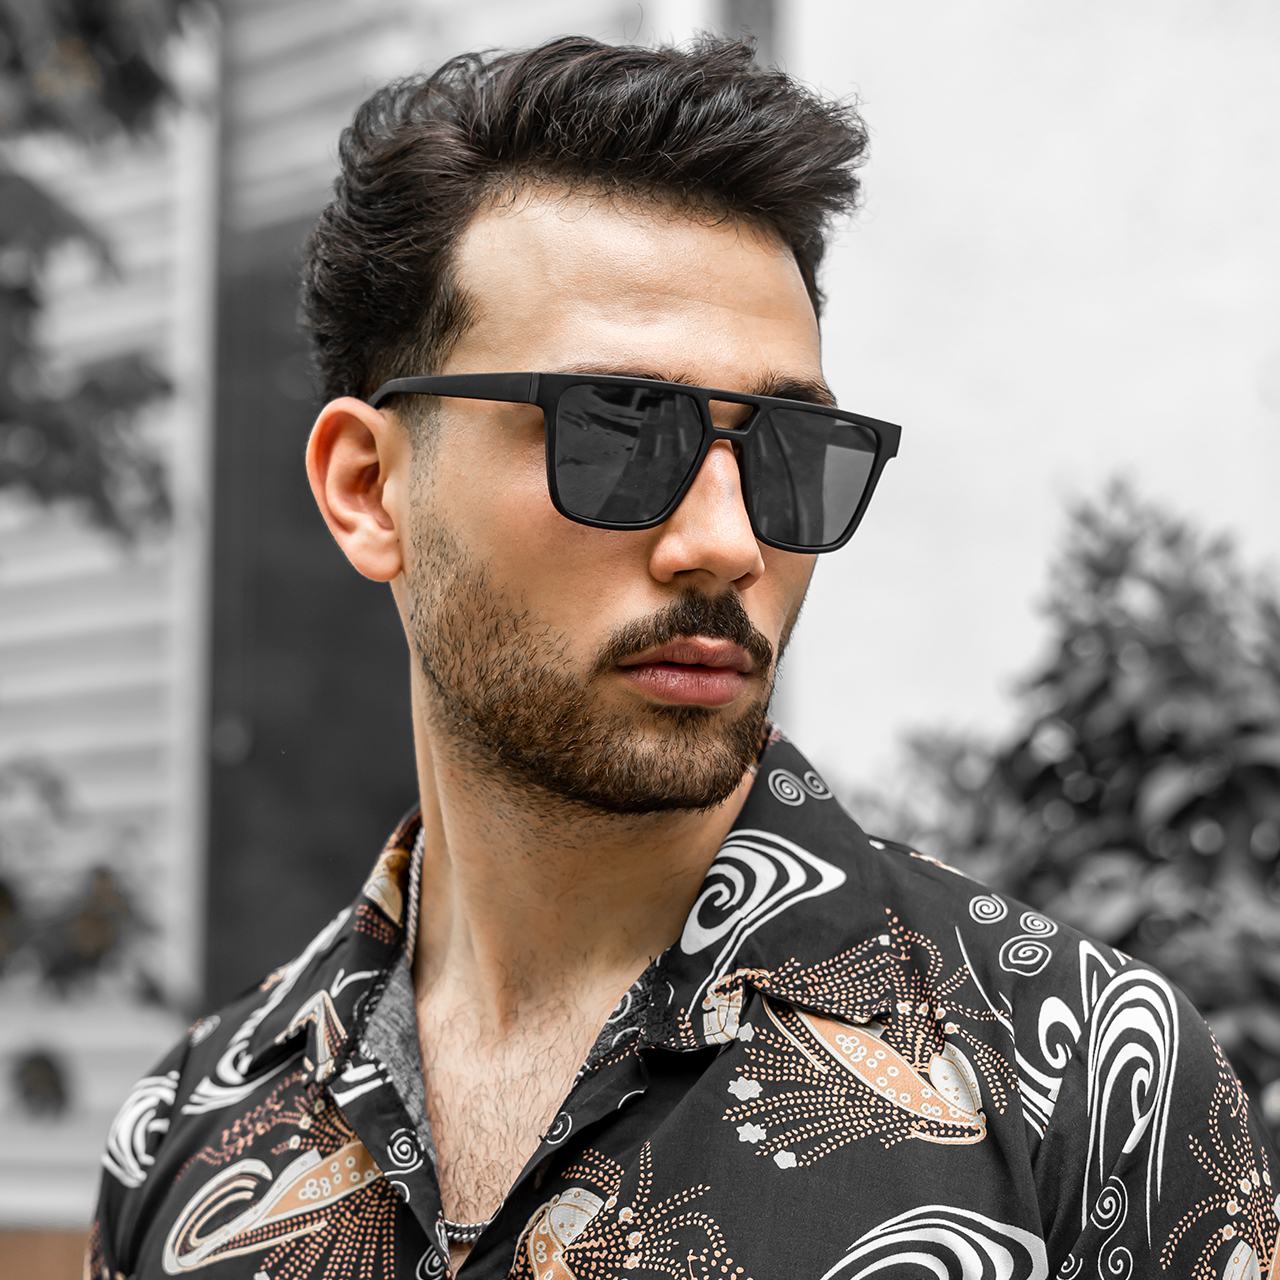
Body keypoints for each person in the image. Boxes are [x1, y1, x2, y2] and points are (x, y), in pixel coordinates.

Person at [88, 36, 1277, 1280]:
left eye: (785, 448)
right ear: (369, 486)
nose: (724, 542)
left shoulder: (1079, 1086)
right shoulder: (188, 1136)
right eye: (613, 431)